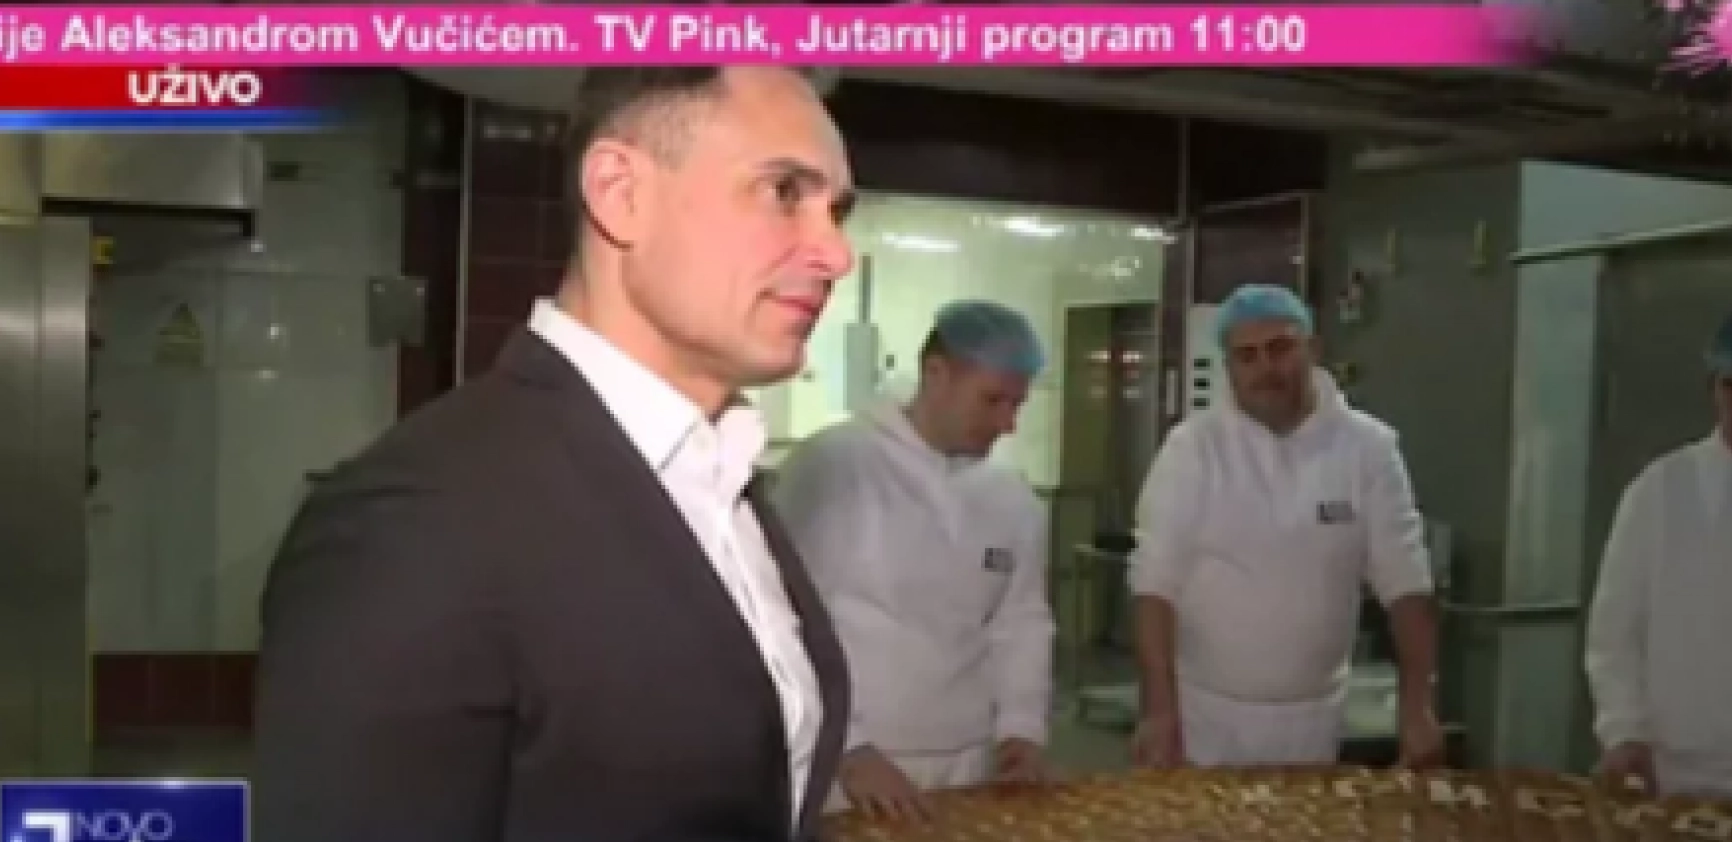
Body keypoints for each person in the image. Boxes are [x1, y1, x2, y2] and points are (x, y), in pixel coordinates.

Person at [252, 67, 856, 842]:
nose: (835, 253)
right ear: (619, 193)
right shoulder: (414, 519)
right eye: (783, 192)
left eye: (837, 212)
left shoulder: (719, 474)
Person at [1127, 284, 1444, 769]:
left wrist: (1417, 707)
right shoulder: (1193, 450)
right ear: (1229, 367)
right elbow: (1154, 586)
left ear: (1313, 349)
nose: (1265, 368)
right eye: (1247, 356)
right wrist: (1159, 711)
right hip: (1205, 718)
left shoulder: (1368, 449)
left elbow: (1407, 585)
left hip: (1314, 720)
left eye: (1280, 348)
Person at [774, 301, 1057, 821]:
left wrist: (1021, 727)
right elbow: (782, 619)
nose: (1007, 423)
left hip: (969, 761)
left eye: (1016, 404)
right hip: (853, 768)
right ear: (936, 374)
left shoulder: (1009, 496)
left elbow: (1020, 621)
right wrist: (847, 745)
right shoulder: (835, 468)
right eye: (992, 400)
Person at [1584, 313, 1732, 799]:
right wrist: (1623, 730)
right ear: (1713, 389)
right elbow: (1614, 630)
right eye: (1731, 386)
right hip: (1669, 774)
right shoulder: (1660, 491)